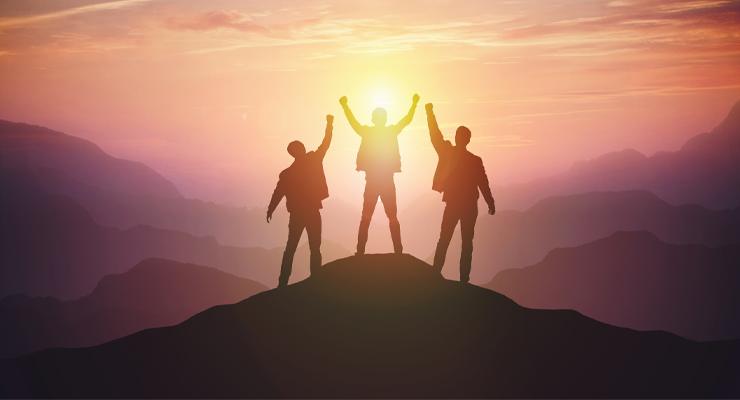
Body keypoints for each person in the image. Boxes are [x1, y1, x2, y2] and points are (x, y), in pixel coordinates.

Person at [339, 93, 420, 255]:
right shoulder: (391, 131)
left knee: (366, 217)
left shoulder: (367, 132)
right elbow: (406, 120)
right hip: (387, 182)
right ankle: (398, 251)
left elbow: (353, 122)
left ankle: (360, 251)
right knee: (392, 217)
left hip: (372, 182)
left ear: (373, 119)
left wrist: (345, 106)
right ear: (384, 119)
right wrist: (414, 104)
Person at [425, 103, 495, 283]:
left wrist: (429, 113)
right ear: (468, 140)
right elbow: (483, 184)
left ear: (458, 138)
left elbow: (435, 135)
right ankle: (464, 280)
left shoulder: (448, 152)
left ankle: (435, 274)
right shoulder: (475, 160)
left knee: (445, 239)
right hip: (470, 206)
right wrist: (490, 203)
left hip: (454, 204)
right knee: (466, 244)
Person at [267, 115, 333, 287]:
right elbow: (326, 143)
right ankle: (316, 280)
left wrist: (271, 209)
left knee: (291, 248)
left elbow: (278, 193)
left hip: (297, 215)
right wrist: (329, 124)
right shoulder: (313, 159)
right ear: (299, 150)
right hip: (311, 212)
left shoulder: (287, 173)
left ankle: (282, 284)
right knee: (314, 248)